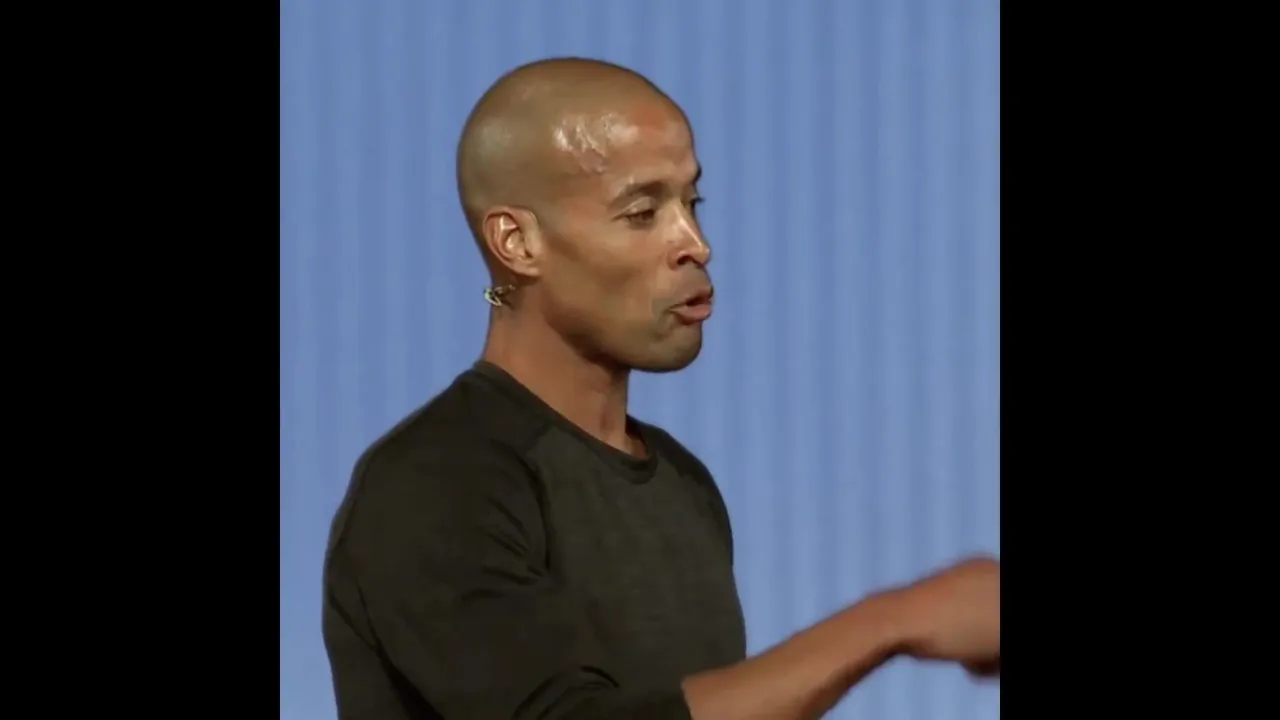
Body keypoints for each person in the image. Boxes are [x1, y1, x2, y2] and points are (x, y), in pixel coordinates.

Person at [321, 57, 999, 720]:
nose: (695, 243)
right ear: (518, 243)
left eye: (692, 203)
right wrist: (893, 622)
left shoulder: (683, 483)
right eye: (642, 212)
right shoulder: (434, 483)